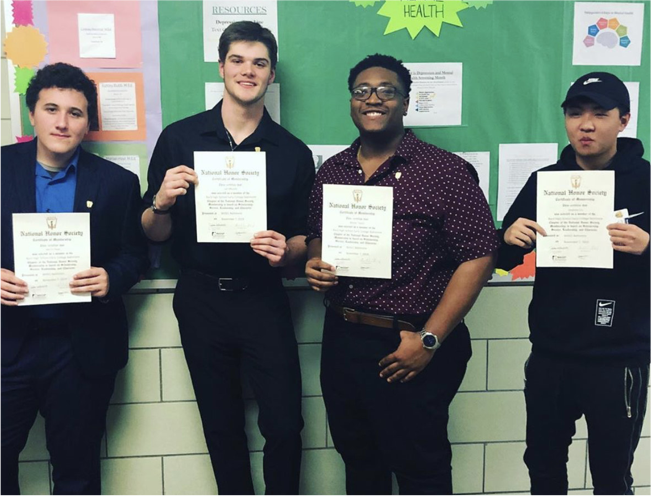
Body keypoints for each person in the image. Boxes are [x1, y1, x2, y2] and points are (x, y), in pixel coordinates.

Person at [305, 54, 498, 495]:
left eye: (386, 90)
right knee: (360, 462)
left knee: (420, 468)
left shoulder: (444, 171)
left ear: (406, 102)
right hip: (343, 339)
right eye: (362, 91)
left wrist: (430, 339)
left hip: (411, 345)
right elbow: (318, 235)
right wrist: (316, 262)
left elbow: (480, 257)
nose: (373, 99)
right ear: (351, 102)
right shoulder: (332, 171)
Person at [141, 21, 314, 496]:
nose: (247, 70)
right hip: (200, 296)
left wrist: (287, 252)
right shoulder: (180, 139)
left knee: (284, 425)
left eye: (259, 62)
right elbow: (152, 231)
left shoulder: (294, 153)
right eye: (237, 60)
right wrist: (161, 202)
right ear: (221, 67)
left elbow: (303, 239)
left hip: (263, 296)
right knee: (221, 425)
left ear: (271, 74)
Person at [498, 72, 650, 496]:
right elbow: (503, 254)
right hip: (550, 354)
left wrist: (648, 246)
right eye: (575, 113)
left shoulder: (645, 181)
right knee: (543, 467)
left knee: (611, 474)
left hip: (618, 358)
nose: (586, 124)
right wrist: (507, 239)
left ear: (623, 121)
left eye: (600, 114)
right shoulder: (545, 181)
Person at [0, 62, 149, 496]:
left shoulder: (117, 183)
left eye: (76, 112)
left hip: (80, 348)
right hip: (9, 345)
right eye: (51, 108)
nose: (62, 122)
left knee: (78, 469)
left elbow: (134, 255)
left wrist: (110, 277)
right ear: (32, 114)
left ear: (88, 123)